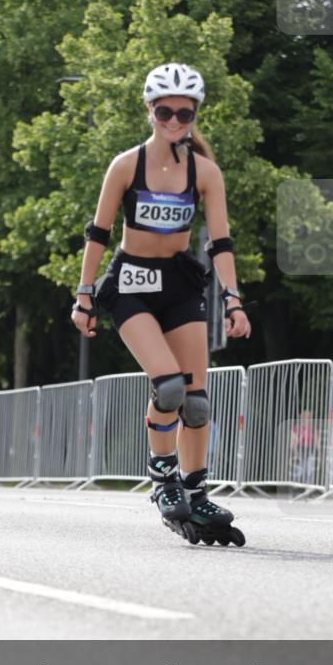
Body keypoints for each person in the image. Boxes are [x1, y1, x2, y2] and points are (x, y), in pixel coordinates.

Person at [70, 63, 251, 543]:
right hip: (130, 282)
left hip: (178, 285)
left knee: (195, 401)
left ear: (195, 114)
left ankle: (195, 489)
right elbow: (98, 234)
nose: (174, 121)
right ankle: (163, 478)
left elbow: (221, 242)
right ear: (150, 110)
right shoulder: (126, 165)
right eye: (165, 111)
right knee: (168, 387)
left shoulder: (205, 172)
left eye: (184, 113)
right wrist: (84, 295)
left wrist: (233, 300)